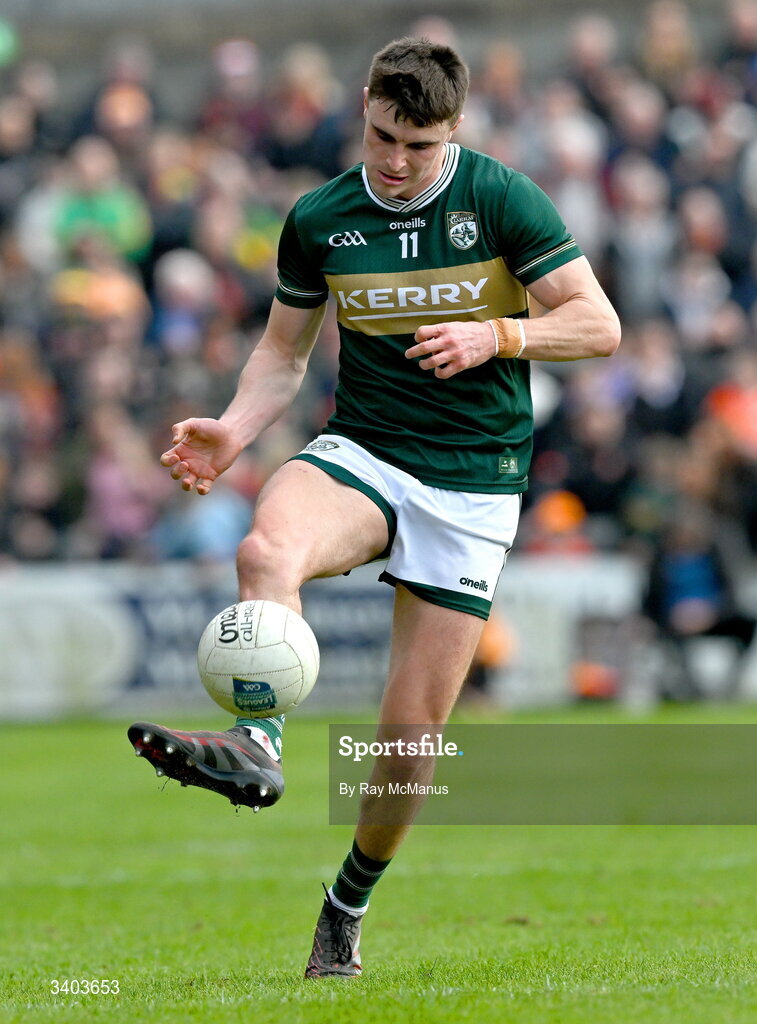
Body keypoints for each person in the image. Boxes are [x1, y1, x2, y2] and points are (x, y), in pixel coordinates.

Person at [128, 37, 620, 978]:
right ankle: (257, 744)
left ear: (456, 131)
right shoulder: (321, 217)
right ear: (363, 106)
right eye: (384, 136)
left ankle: (344, 907)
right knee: (265, 547)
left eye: (420, 147)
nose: (397, 163)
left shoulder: (501, 199)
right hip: (367, 450)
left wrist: (498, 335)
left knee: (404, 744)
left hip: (474, 481)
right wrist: (234, 428)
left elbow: (598, 323)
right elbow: (282, 354)